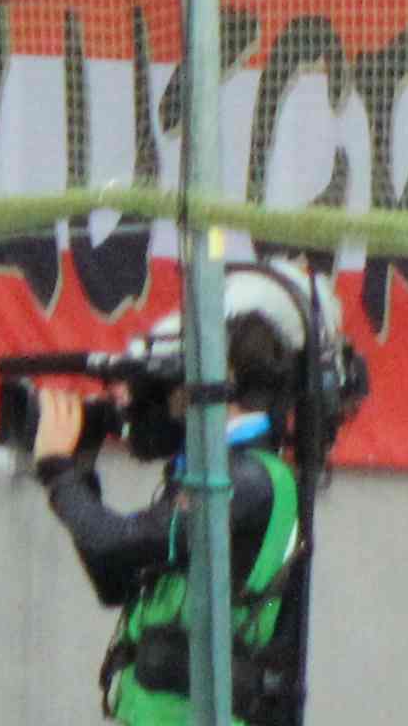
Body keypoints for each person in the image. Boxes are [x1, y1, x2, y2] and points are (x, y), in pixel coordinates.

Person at [35, 267, 336, 726]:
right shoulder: (214, 473)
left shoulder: (247, 480)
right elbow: (113, 578)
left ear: (219, 379)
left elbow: (117, 541)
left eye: (170, 378)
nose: (160, 396)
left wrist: (57, 471)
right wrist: (79, 467)